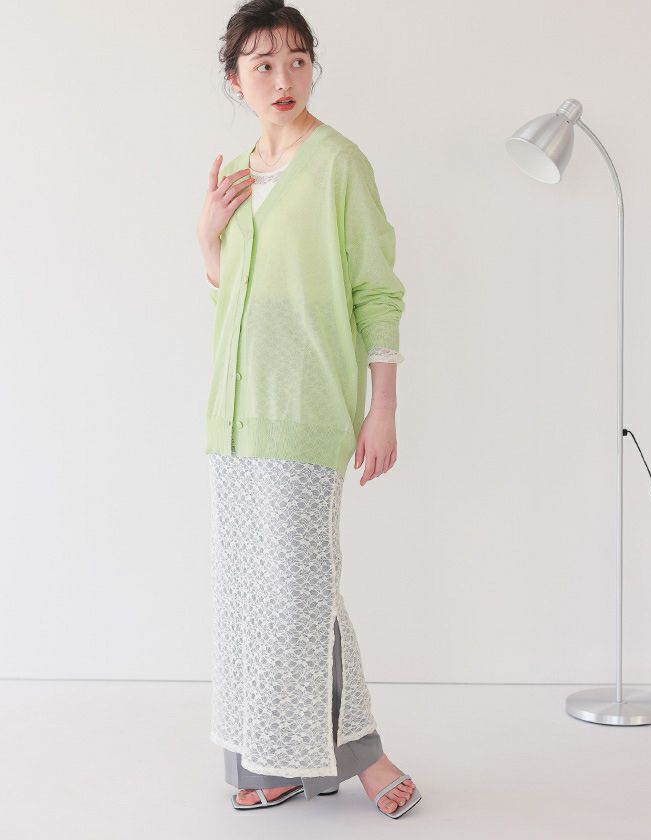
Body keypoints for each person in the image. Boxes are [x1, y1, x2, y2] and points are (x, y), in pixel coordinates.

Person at [196, 0, 421, 819]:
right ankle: (272, 761)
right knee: (249, 598)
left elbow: (376, 289)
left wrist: (383, 407)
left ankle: (364, 757)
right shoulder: (234, 170)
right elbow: (237, 297)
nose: (283, 77)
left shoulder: (339, 164)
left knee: (301, 592)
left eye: (297, 59)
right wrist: (208, 237)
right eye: (263, 64)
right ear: (236, 80)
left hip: (307, 408)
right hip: (233, 414)